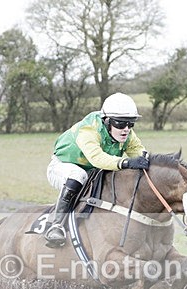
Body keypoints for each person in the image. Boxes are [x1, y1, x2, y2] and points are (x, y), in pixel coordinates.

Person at [44, 92, 150, 247]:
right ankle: (56, 225)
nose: (126, 129)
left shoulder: (127, 134)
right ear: (106, 121)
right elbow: (97, 158)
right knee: (78, 175)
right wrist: (126, 162)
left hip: (92, 171)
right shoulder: (88, 130)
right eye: (120, 124)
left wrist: (148, 162)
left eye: (130, 124)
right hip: (62, 167)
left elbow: (140, 153)